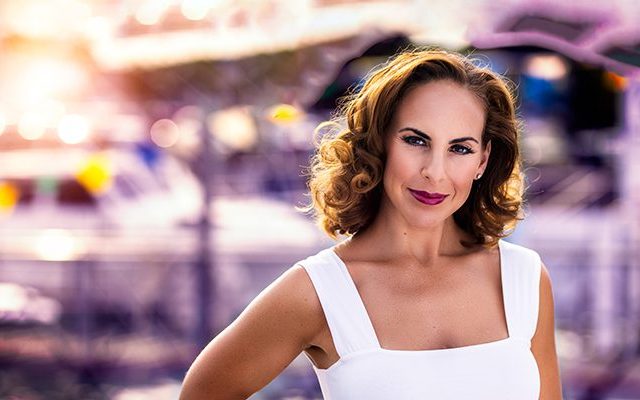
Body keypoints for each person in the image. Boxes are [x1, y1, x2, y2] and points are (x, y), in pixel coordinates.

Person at [179, 47, 563, 399]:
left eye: (460, 148)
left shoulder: (524, 278)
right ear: (380, 142)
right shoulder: (319, 291)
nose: (435, 172)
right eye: (416, 141)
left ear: (482, 160)